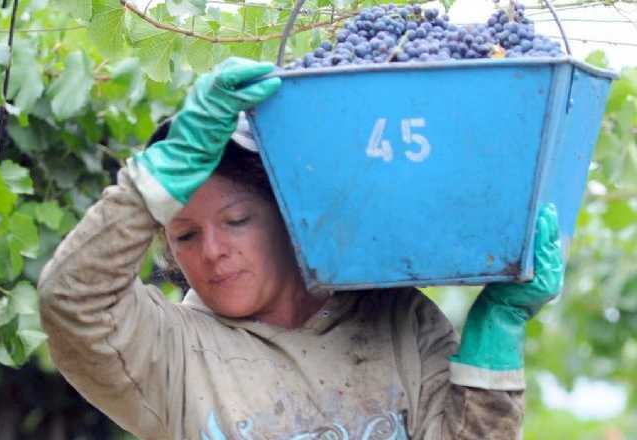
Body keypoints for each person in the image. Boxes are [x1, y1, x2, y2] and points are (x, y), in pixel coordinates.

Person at [38, 57, 563, 439]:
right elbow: (72, 302)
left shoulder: (399, 321)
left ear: (291, 217)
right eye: (186, 235)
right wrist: (152, 186)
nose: (213, 250)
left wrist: (500, 327)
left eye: (237, 219)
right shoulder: (171, 352)